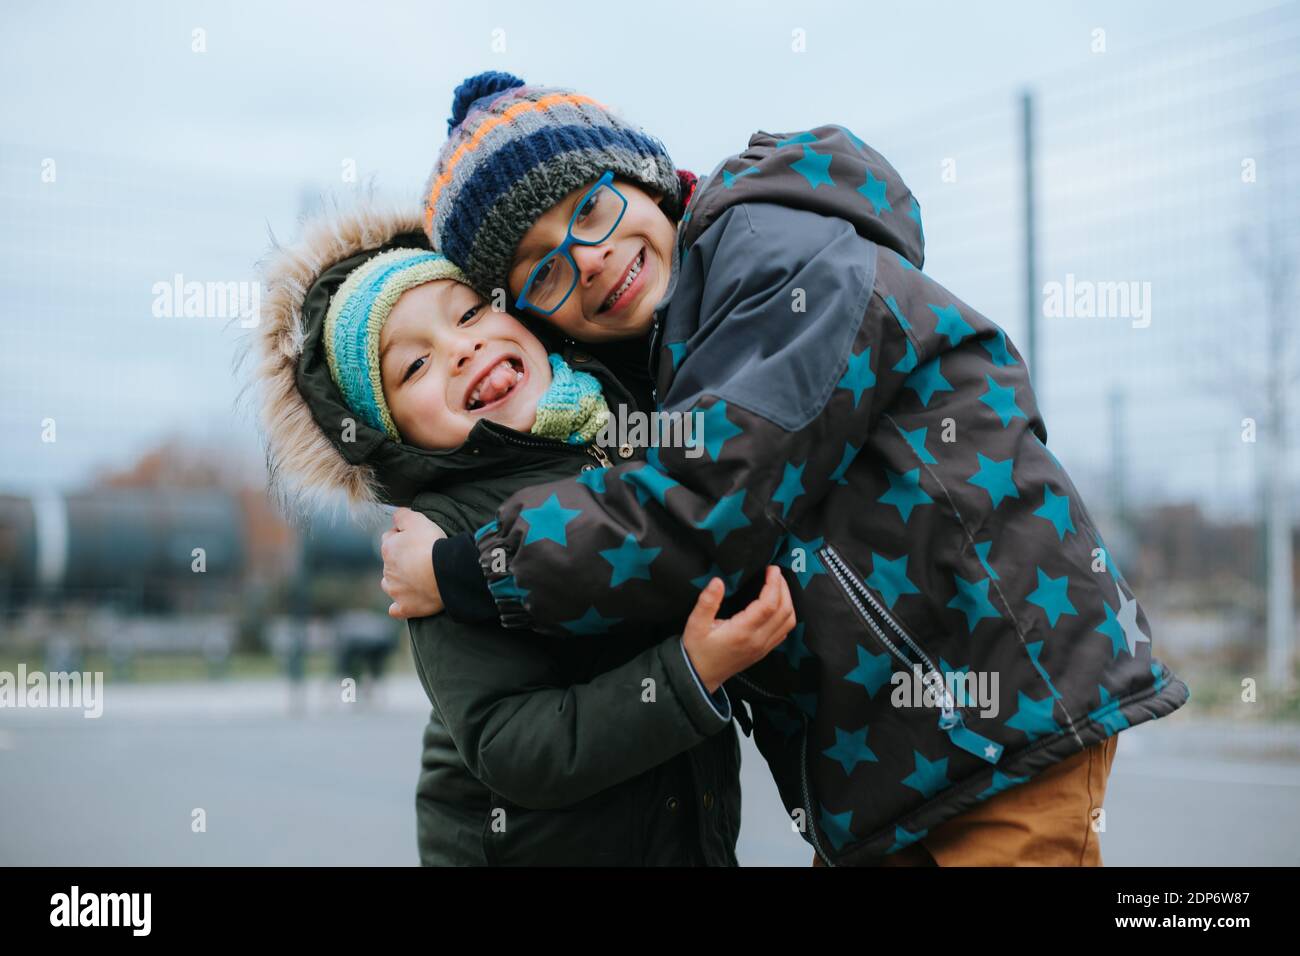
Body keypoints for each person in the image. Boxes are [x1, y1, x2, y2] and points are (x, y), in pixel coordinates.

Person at [385, 71, 1191, 866]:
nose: (586, 260)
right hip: (899, 761)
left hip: (998, 704)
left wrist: (466, 568)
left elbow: (708, 500)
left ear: (648, 177)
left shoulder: (771, 259)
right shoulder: (670, 351)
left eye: (590, 208)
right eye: (543, 269)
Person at [249, 199, 795, 865]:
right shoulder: (442, 532)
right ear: (389, 434)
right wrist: (687, 674)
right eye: (413, 367)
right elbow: (509, 743)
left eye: (471, 312)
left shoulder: (626, 419)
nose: (462, 347)